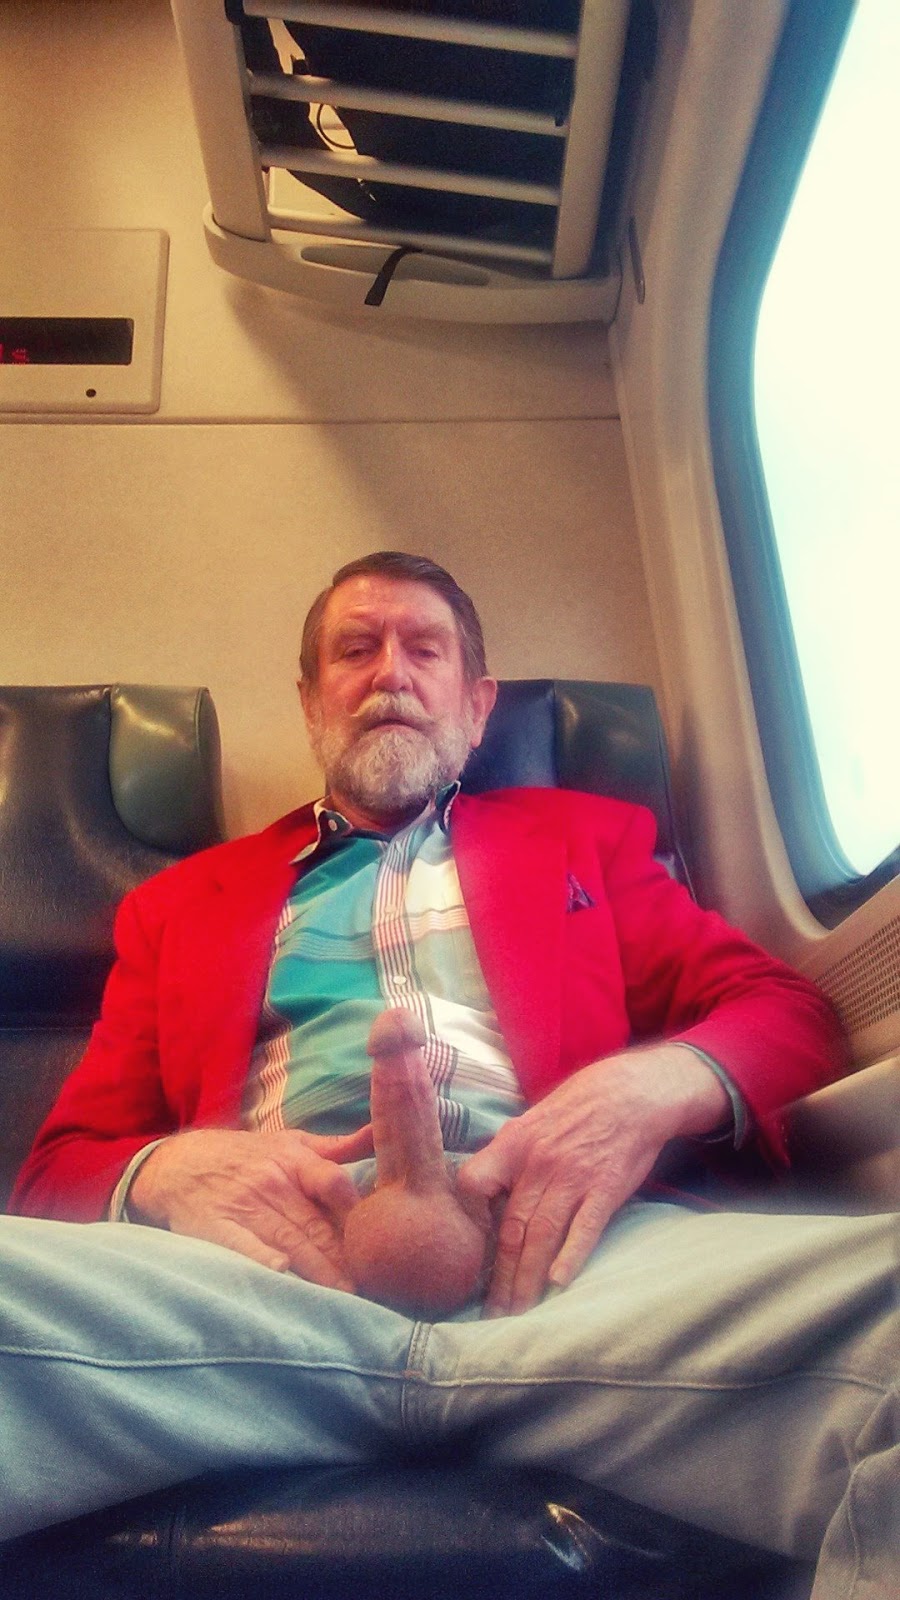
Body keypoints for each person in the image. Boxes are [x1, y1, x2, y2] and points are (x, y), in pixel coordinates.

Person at [4, 553, 898, 1598]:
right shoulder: (180, 905)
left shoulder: (585, 841)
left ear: (477, 710)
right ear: (311, 703)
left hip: (576, 1272)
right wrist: (166, 1171)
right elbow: (58, 1168)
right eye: (355, 649)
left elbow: (786, 1013)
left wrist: (649, 1088)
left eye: (424, 650)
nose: (390, 671)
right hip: (250, 1294)